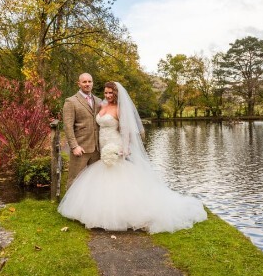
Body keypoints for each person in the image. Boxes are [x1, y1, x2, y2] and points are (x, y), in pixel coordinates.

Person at [58, 81, 207, 233]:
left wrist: (125, 146)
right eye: (106, 92)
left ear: (116, 94)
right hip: (102, 146)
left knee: (117, 178)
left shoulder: (120, 109)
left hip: (115, 145)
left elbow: (125, 130)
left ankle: (124, 214)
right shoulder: (101, 105)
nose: (108, 95)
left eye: (111, 93)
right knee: (101, 177)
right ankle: (100, 210)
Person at [63, 73, 102, 189]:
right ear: (79, 84)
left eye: (89, 81)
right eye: (84, 82)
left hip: (97, 148)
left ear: (92, 83)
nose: (87, 84)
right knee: (74, 179)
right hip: (81, 147)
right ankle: (69, 206)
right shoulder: (71, 101)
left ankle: (91, 204)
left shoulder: (99, 101)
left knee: (95, 179)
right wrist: (74, 146)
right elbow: (68, 126)